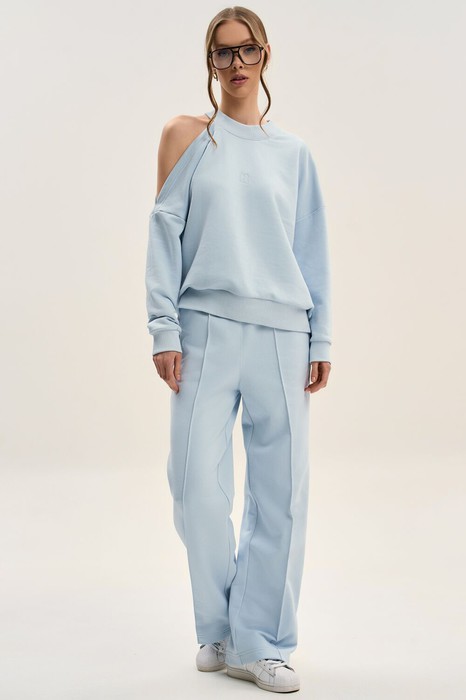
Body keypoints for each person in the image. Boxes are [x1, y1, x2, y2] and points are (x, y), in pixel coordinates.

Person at [145, 6, 332, 694]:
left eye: (246, 50)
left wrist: (322, 335)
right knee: (194, 483)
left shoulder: (293, 154)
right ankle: (220, 629)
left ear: (265, 54)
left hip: (284, 333)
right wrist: (163, 327)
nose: (235, 64)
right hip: (204, 329)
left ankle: (264, 643)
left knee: (282, 495)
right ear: (210, 62)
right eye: (222, 53)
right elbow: (164, 233)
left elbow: (311, 247)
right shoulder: (187, 137)